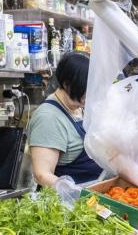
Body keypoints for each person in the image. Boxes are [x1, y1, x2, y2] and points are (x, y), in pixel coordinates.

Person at [27, 53, 103, 187]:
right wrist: (74, 193)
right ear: (67, 84)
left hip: (94, 194)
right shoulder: (48, 118)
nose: (91, 93)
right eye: (85, 87)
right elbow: (42, 174)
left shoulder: (80, 108)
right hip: (69, 203)